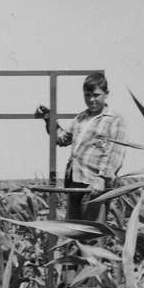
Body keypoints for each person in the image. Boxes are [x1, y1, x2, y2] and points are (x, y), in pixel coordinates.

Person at [36, 72, 127, 221]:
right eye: (87, 95)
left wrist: (102, 179)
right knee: (73, 228)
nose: (91, 100)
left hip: (94, 185)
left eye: (96, 95)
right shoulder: (80, 118)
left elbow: (115, 153)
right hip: (75, 182)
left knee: (91, 230)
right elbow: (63, 139)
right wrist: (49, 119)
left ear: (106, 94)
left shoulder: (114, 119)